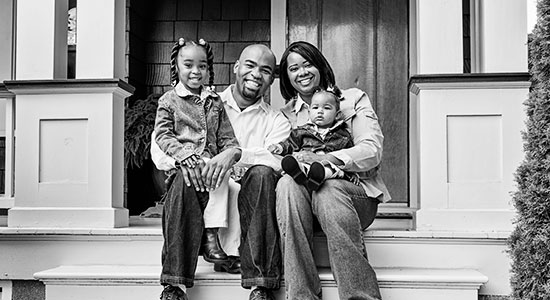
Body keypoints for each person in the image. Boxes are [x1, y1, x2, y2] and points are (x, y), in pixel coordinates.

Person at [152, 44, 291, 300]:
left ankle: (261, 285)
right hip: (198, 188)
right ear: (236, 67)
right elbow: (160, 147)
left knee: (261, 174)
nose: (256, 74)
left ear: (272, 78)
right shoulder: (201, 101)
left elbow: (276, 160)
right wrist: (187, 162)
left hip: (249, 198)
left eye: (266, 70)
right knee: (186, 174)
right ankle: (175, 285)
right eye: (250, 65)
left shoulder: (276, 120)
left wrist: (235, 155)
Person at [276, 41, 391, 300]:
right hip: (302, 206)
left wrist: (327, 159)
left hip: (353, 197)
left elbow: (372, 150)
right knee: (286, 184)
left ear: (320, 65)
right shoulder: (285, 116)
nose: (302, 72)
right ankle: (302, 296)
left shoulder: (352, 99)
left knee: (328, 190)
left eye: (307, 64)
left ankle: (359, 296)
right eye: (293, 68)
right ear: (286, 77)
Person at [155, 38, 242, 300]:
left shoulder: (215, 101)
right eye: (188, 64)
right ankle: (175, 282)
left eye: (202, 66)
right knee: (186, 185)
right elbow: (162, 135)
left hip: (212, 167)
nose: (196, 71)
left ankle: (212, 236)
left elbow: (228, 139)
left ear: (209, 69)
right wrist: (184, 156)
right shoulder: (169, 101)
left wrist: (228, 155)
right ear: (176, 67)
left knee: (223, 175)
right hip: (184, 168)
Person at [268, 85, 360, 191]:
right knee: (302, 165)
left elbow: (347, 156)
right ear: (309, 112)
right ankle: (299, 172)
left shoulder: (343, 135)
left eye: (326, 108)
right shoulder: (302, 131)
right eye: (315, 107)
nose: (320, 111)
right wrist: (279, 147)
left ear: (337, 115)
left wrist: (352, 174)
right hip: (307, 163)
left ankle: (317, 177)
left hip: (329, 168)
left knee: (330, 168)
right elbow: (290, 144)